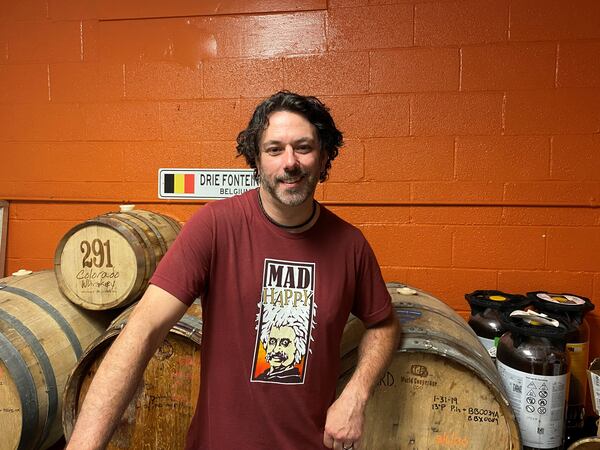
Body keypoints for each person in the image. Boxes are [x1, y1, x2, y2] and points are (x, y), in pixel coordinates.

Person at [66, 91, 400, 450]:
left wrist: (357, 394)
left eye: (303, 147)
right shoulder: (215, 226)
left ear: (323, 156)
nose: (290, 162)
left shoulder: (350, 245)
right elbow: (142, 331)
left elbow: (384, 324)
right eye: (274, 149)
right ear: (256, 158)